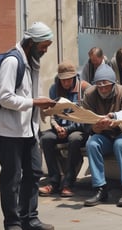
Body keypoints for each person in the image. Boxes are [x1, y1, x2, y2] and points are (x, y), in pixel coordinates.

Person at [0, 22, 55, 230]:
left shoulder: (33, 62)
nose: (45, 50)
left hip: (30, 130)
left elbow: (32, 95)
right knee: (12, 178)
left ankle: (30, 218)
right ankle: (12, 222)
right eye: (44, 45)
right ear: (32, 43)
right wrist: (35, 103)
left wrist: (47, 108)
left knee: (34, 172)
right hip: (9, 131)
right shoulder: (12, 61)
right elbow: (5, 98)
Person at [82, 64, 122, 207]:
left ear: (113, 84)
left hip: (121, 133)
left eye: (106, 86)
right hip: (102, 134)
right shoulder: (89, 94)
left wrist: (115, 124)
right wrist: (94, 128)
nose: (103, 89)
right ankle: (100, 188)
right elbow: (85, 120)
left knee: (121, 144)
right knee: (92, 144)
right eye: (99, 86)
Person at [39, 60, 91, 197]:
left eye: (69, 80)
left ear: (74, 77)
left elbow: (86, 117)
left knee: (74, 139)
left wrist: (67, 129)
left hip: (79, 128)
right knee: (46, 138)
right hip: (59, 128)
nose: (66, 83)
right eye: (63, 80)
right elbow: (52, 113)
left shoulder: (84, 89)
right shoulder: (54, 89)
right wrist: (56, 127)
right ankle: (54, 180)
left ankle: (68, 183)